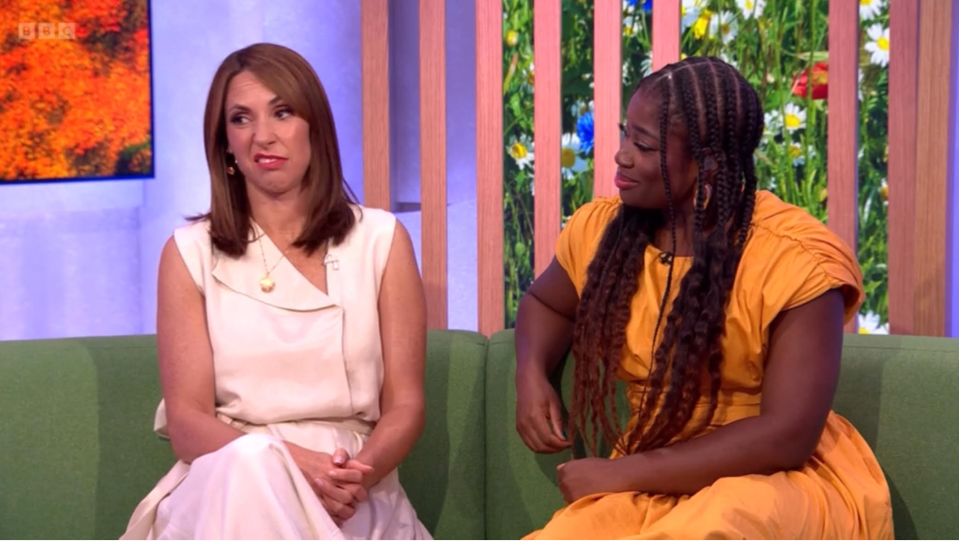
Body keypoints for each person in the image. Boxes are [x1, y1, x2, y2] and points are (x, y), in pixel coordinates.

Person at [514, 57, 893, 540]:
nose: (621, 155)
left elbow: (786, 437)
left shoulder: (797, 259)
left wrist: (620, 474)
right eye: (625, 135)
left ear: (707, 162)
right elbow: (547, 303)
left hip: (773, 481)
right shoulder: (602, 231)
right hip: (654, 474)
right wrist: (530, 377)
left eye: (644, 145)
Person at [122, 43, 431, 540]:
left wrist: (352, 478)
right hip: (227, 482)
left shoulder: (380, 240)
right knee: (250, 466)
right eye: (241, 119)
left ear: (314, 126)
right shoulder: (188, 253)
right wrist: (288, 464)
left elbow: (406, 406)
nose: (263, 136)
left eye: (282, 112)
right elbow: (186, 421)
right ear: (225, 144)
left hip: (353, 486)